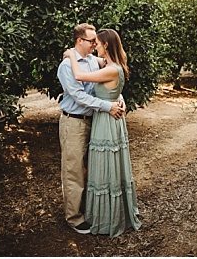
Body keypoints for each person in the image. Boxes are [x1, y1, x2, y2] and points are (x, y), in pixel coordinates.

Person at [64, 28, 141, 237]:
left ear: (105, 45)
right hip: (92, 119)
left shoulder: (107, 67)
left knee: (104, 165)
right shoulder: (101, 63)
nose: (94, 45)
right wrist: (118, 99)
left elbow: (82, 75)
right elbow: (105, 87)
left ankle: (106, 215)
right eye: (91, 41)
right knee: (84, 168)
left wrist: (71, 53)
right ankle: (85, 214)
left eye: (97, 42)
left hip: (104, 120)